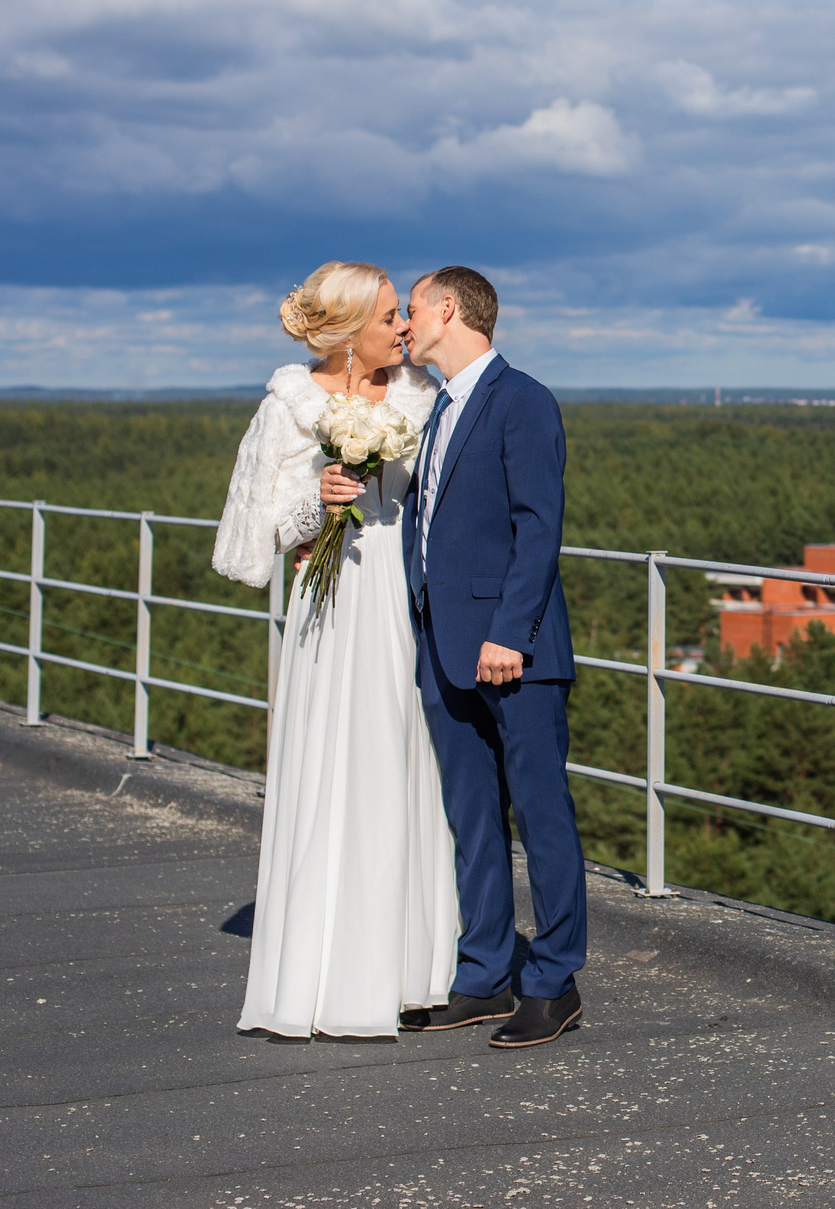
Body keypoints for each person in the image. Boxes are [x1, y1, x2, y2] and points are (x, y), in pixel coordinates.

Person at [212, 261, 457, 1040]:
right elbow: (260, 528)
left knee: (404, 759)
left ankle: (412, 970)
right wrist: (315, 501)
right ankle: (329, 977)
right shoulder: (292, 404)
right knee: (337, 764)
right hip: (335, 601)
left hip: (403, 603)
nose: (403, 327)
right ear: (352, 332)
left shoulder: (419, 395)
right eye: (390, 316)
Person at [363, 264, 587, 1048]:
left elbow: (538, 527)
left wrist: (508, 631)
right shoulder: (437, 410)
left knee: (541, 815)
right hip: (445, 649)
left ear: (449, 308)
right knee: (472, 819)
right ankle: (484, 973)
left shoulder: (521, 399)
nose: (404, 324)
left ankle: (553, 981)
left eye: (413, 309)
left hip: (513, 652)